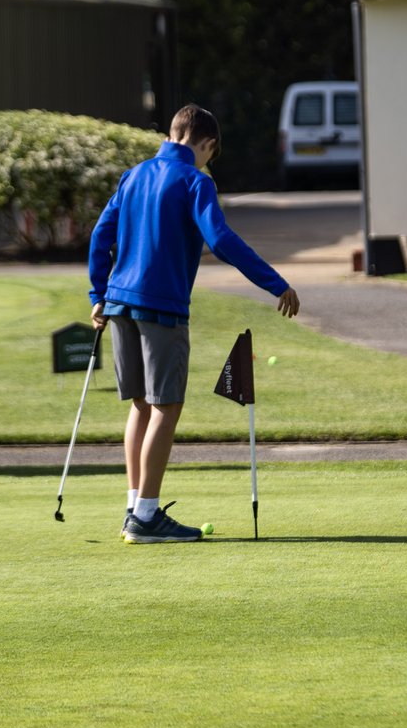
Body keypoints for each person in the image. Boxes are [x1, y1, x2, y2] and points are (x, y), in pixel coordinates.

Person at [88, 104, 300, 544]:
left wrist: (98, 294)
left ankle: (134, 506)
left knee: (141, 406)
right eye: (211, 153)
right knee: (166, 407)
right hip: (161, 308)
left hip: (119, 304)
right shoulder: (195, 180)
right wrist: (275, 283)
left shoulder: (133, 175)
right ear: (205, 143)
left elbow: (99, 237)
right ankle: (145, 516)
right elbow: (220, 239)